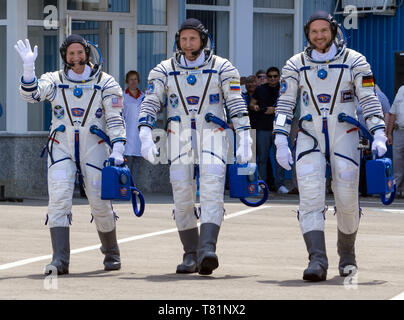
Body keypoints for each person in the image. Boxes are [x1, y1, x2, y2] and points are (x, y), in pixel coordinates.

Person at [273, 11, 387, 282]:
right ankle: (317, 260)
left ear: (334, 32)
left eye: (324, 31)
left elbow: (368, 99)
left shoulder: (355, 61)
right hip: (309, 135)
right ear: (308, 35)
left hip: (345, 135)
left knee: (347, 197)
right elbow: (285, 103)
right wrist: (280, 137)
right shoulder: (295, 64)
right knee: (310, 195)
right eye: (314, 32)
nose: (319, 36)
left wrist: (379, 131)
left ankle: (347, 256)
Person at [138, 18, 252, 276]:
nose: (188, 43)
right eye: (184, 38)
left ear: (203, 40)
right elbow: (151, 102)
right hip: (177, 136)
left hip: (213, 133)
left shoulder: (222, 67)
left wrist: (245, 136)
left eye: (193, 38)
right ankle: (190, 252)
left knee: (212, 188)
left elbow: (236, 104)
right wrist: (145, 131)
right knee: (181, 193)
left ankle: (207, 250)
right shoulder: (163, 70)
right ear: (177, 40)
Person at [15, 35, 126, 275]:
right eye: (70, 54)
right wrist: (28, 69)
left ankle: (111, 252)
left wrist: (118, 148)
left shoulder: (105, 82)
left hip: (95, 147)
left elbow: (116, 118)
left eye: (79, 53)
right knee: (58, 200)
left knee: (99, 201)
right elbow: (31, 95)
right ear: (65, 56)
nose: (75, 58)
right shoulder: (54, 80)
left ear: (87, 53)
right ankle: (60, 260)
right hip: (61, 146)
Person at [249, 67, 288, 193]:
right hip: (263, 127)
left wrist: (275, 110)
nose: (272, 79)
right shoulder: (260, 89)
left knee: (280, 158)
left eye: (275, 76)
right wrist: (254, 106)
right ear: (266, 77)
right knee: (262, 158)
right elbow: (251, 103)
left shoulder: (284, 90)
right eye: (270, 76)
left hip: (279, 128)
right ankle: (261, 185)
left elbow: (289, 107)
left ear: (279, 76)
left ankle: (280, 185)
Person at [123, 70, 145, 181]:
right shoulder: (122, 96)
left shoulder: (144, 97)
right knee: (126, 165)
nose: (133, 81)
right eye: (131, 79)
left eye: (135, 79)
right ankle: (125, 189)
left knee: (137, 164)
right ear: (127, 81)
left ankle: (133, 188)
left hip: (139, 136)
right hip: (127, 135)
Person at [386, 85, 404, 198]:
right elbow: (393, 113)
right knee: (397, 162)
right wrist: (389, 133)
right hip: (399, 131)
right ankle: (397, 189)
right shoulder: (401, 89)